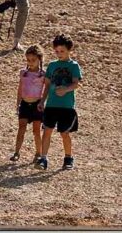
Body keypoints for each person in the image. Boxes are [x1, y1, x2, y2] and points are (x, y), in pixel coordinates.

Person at [36, 33, 83, 171]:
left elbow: (76, 84)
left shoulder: (74, 66)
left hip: (66, 107)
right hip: (51, 105)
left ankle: (68, 157)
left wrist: (66, 89)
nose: (59, 54)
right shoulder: (52, 65)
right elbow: (47, 85)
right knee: (47, 131)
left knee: (64, 133)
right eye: (57, 51)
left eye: (62, 51)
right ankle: (43, 158)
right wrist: (42, 101)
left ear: (69, 50)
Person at [10, 45, 46, 163]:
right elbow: (20, 89)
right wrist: (18, 103)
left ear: (39, 60)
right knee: (21, 128)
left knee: (36, 131)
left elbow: (47, 89)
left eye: (33, 60)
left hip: (37, 105)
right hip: (25, 104)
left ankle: (38, 153)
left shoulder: (43, 75)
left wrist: (42, 102)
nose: (30, 63)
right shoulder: (23, 73)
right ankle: (16, 152)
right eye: (28, 60)